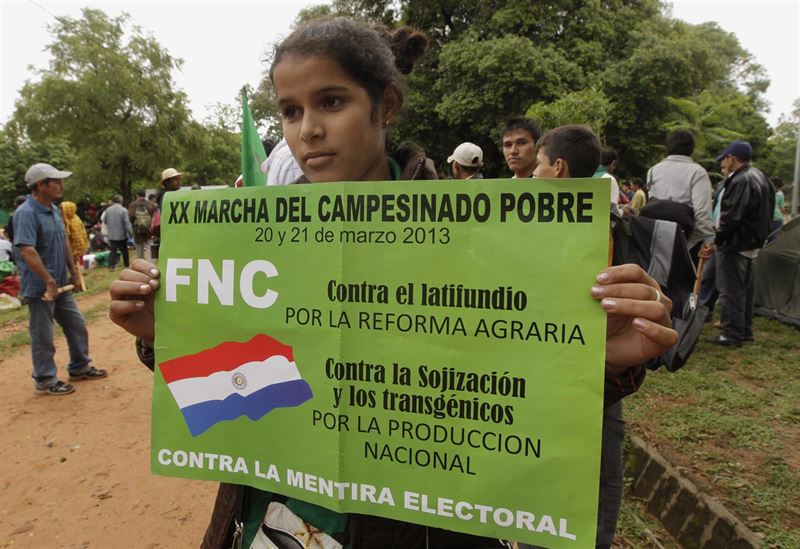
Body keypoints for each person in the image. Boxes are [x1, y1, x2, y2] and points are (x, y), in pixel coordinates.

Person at [110, 19, 676, 549]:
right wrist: (168, 332)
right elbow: (238, 379)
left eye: (331, 102)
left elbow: (521, 392)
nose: (307, 129)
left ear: (387, 106)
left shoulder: (485, 235)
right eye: (289, 110)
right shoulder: (254, 238)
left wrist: (604, 359)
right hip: (274, 513)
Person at [533, 125, 677, 549]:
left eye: (537, 162)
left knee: (583, 505)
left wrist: (612, 360)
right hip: (569, 389)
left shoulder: (595, 232)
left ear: (557, 168)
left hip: (589, 392)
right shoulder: (605, 222)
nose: (531, 172)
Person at [14, 163, 107, 395]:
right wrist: (48, 281)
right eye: (56, 181)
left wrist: (73, 272)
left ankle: (79, 366)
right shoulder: (26, 213)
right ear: (41, 185)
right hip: (41, 287)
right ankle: (45, 379)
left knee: (76, 324)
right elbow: (27, 250)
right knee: (43, 334)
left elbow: (63, 240)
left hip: (60, 282)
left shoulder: (54, 210)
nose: (61, 185)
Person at [709, 141, 774, 346]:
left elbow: (732, 216)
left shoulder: (741, 179)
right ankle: (745, 329)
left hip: (735, 242)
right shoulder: (759, 176)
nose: (724, 163)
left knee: (731, 289)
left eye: (725, 159)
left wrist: (718, 238)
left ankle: (731, 333)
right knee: (745, 288)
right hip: (752, 241)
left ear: (732, 158)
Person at [646, 129, 715, 261]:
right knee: (685, 280)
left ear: (669, 146)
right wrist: (708, 239)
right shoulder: (698, 172)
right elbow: (702, 211)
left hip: (656, 237)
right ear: (692, 148)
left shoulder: (653, 170)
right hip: (687, 240)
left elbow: (652, 202)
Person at [60, 201, 89, 288]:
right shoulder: (67, 220)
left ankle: (80, 285)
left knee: (76, 267)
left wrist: (76, 252)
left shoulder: (73, 222)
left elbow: (78, 239)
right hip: (70, 249)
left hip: (75, 250)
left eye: (62, 209)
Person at [103, 194, 132, 270]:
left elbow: (105, 221)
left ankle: (111, 266)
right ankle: (126, 265)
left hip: (112, 234)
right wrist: (130, 233)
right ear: (121, 201)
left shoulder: (108, 210)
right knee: (124, 251)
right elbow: (127, 223)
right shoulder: (123, 210)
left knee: (112, 251)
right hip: (121, 234)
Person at [129, 189, 156, 260]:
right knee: (148, 247)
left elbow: (131, 217)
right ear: (145, 195)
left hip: (137, 230)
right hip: (148, 229)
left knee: (139, 248)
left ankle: (140, 263)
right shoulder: (150, 204)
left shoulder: (133, 205)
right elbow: (154, 216)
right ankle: (150, 263)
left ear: (137, 195)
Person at [768, 177, 787, 242]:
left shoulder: (780, 194)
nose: (778, 189)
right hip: (769, 219)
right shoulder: (766, 192)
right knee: (771, 238)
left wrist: (786, 218)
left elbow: (782, 207)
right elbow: (782, 208)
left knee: (773, 238)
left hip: (776, 219)